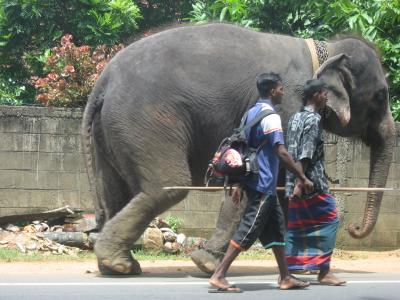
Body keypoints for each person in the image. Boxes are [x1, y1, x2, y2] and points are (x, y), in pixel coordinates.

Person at [208, 72, 314, 293]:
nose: (283, 92)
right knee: (248, 229)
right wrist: (302, 177)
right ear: (273, 90)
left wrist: (239, 183)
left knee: (276, 230)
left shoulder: (251, 114)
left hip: (256, 181)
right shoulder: (271, 117)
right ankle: (219, 275)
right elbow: (282, 152)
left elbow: (244, 149)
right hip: (263, 184)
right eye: (281, 88)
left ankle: (285, 277)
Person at [284, 79, 346, 286]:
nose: (327, 96)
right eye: (324, 92)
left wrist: (294, 182)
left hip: (293, 181)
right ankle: (324, 271)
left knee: (296, 226)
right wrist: (301, 183)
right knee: (331, 219)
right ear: (315, 95)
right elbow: (306, 153)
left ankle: (289, 272)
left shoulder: (294, 118)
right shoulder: (314, 119)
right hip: (312, 183)